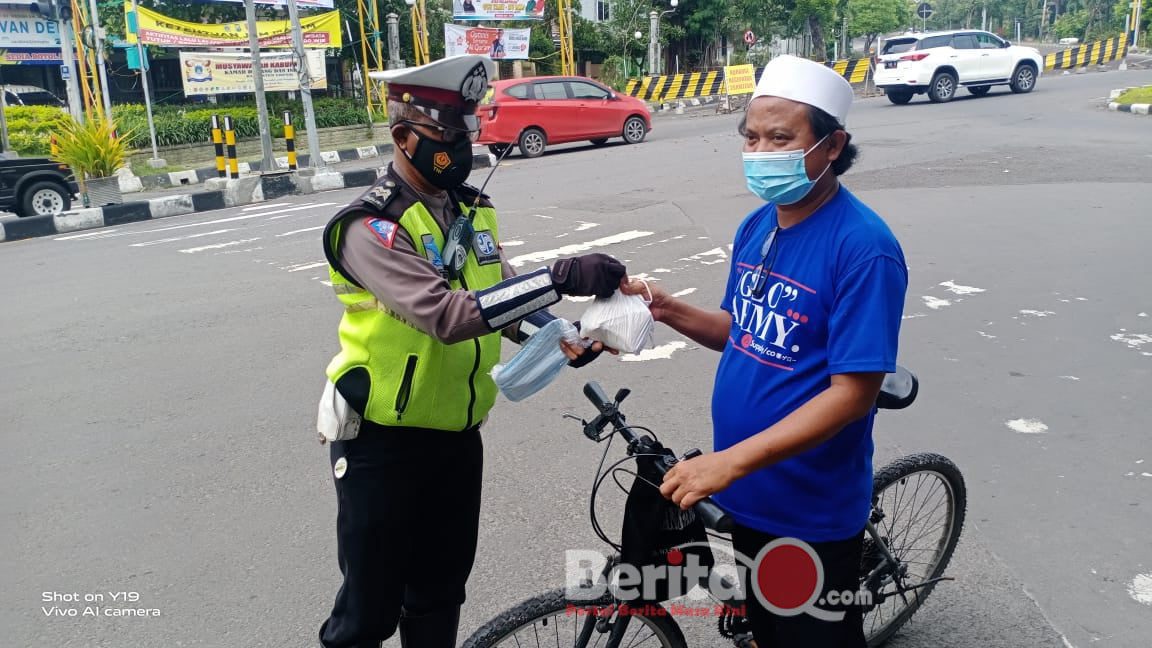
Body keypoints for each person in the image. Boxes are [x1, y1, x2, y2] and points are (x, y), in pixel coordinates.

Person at [315, 54, 626, 648]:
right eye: (447, 137)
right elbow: (446, 316)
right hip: (384, 440)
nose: (461, 149)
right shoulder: (369, 228)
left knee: (438, 597)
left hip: (458, 437)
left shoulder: (473, 210)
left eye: (468, 134)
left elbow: (499, 295)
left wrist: (558, 330)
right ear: (403, 136)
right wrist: (559, 275)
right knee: (368, 613)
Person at [621, 54, 908, 647]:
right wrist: (667, 309)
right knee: (768, 632)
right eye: (750, 137)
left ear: (832, 146)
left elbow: (855, 395)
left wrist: (732, 461)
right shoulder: (758, 225)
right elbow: (741, 329)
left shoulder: (863, 248)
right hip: (746, 493)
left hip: (808, 511)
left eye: (780, 138)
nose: (759, 151)